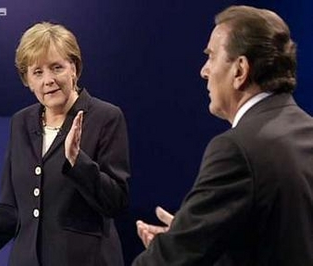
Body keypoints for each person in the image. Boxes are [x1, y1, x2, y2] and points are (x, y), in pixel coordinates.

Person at [0, 22, 130, 266]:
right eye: (37, 72)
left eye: (56, 67)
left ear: (74, 69)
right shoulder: (21, 123)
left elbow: (116, 203)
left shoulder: (105, 117)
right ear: (27, 80)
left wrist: (77, 161)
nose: (48, 80)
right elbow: (10, 212)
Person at [133, 5, 313, 266]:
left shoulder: (237, 149)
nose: (204, 71)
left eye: (211, 56)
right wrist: (196, 234)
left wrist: (179, 245)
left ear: (240, 71)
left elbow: (168, 260)